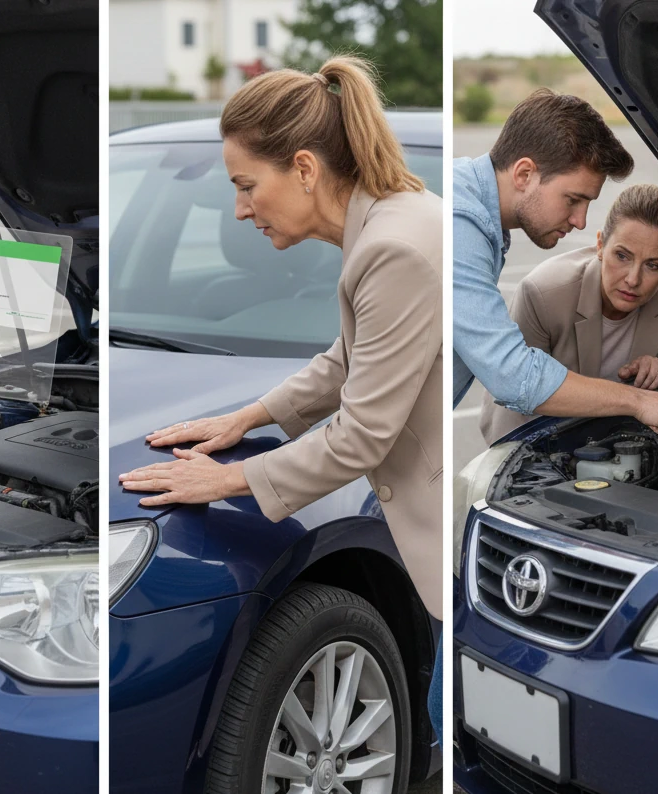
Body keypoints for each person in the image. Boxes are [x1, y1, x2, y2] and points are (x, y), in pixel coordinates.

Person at [117, 57, 445, 742]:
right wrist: (250, 416)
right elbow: (348, 359)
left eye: (245, 185)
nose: (238, 209)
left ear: (303, 168)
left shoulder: (392, 251)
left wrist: (229, 476)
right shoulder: (394, 222)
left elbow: (361, 437)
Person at [454, 88, 658, 439]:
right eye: (573, 199)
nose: (580, 220)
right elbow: (513, 377)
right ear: (524, 174)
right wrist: (637, 400)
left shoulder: (477, 215)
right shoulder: (462, 226)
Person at [480, 184, 658, 442]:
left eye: (653, 265)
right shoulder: (543, 293)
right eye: (622, 256)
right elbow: (516, 400)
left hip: (625, 441)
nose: (633, 279)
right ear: (600, 245)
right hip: (540, 439)